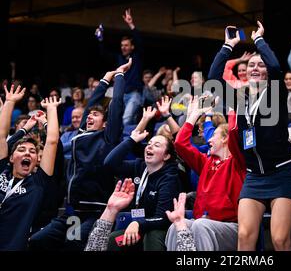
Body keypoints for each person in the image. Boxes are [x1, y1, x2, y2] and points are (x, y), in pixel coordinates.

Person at [208, 22, 291, 251]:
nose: (255, 68)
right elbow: (212, 80)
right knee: (244, 235)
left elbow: (276, 68)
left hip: (282, 173)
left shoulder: (276, 93)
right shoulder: (240, 99)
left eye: (260, 65)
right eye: (251, 65)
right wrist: (228, 46)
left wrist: (259, 40)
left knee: (279, 239)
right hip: (254, 176)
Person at [29, 60, 131, 251]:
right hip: (73, 212)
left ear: (105, 123)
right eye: (89, 115)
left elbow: (116, 104)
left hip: (96, 212)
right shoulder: (81, 135)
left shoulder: (108, 137)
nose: (90, 117)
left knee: (73, 243)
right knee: (38, 240)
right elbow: (91, 104)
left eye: (96, 115)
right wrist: (104, 80)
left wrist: (118, 76)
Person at [165, 96, 246, 251]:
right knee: (176, 227)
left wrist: (233, 109)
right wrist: (194, 115)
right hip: (202, 223)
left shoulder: (238, 162)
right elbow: (180, 144)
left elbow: (236, 134)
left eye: (213, 135)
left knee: (200, 225)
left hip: (231, 227)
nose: (208, 139)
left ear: (225, 139)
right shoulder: (205, 162)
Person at [0, 85, 61, 250]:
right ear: (11, 158)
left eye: (32, 151)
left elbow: (52, 141)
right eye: (21, 150)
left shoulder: (38, 183)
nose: (28, 153)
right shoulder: (2, 170)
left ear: (36, 160)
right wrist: (10, 101)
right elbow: (1, 134)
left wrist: (51, 109)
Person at [104, 122, 181, 251]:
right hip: (140, 228)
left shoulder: (170, 178)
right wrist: (131, 140)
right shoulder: (139, 166)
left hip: (161, 229)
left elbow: (163, 217)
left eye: (156, 145)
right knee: (112, 240)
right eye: (149, 144)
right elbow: (109, 164)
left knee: (152, 236)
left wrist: (138, 223)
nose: (149, 147)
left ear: (166, 156)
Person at [98, 8, 143, 125]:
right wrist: (100, 39)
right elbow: (104, 54)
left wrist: (130, 24)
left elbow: (139, 41)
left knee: (127, 119)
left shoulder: (136, 56)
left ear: (132, 47)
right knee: (115, 119)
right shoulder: (119, 58)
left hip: (134, 94)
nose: (123, 47)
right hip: (121, 94)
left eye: (126, 45)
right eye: (122, 45)